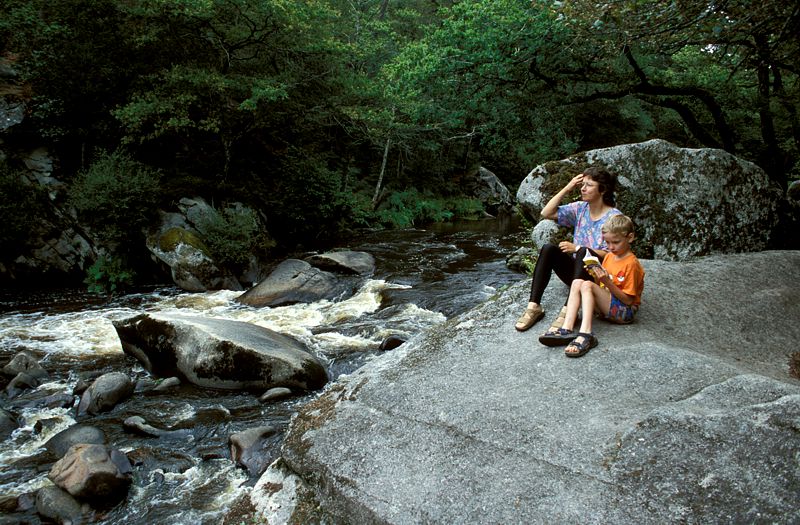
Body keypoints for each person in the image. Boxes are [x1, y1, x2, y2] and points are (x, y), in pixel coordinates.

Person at [515, 166, 621, 333]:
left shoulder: (614, 218)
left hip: (597, 278)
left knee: (581, 252)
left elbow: (612, 255)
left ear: (603, 190)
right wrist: (567, 187)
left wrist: (578, 248)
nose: (583, 188)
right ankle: (534, 306)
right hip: (576, 274)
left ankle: (569, 310)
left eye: (589, 185)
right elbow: (546, 212)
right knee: (549, 248)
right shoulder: (580, 208)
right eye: (582, 184)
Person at [539, 214, 645, 358]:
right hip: (606, 306)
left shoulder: (631, 264)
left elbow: (628, 301)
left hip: (624, 312)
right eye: (607, 243)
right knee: (577, 282)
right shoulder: (609, 256)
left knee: (588, 285)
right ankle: (566, 328)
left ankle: (586, 334)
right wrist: (596, 276)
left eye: (616, 242)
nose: (611, 247)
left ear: (630, 238)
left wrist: (606, 282)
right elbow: (602, 287)